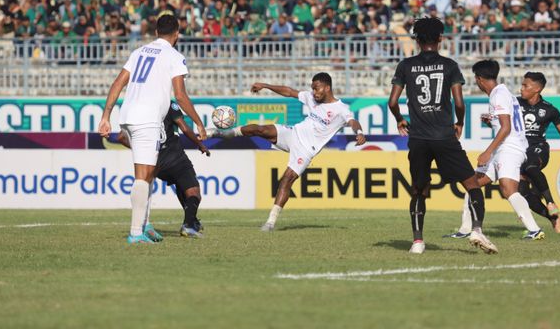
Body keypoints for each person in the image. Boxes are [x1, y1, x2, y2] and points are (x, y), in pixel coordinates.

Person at [388, 17, 496, 255]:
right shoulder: (449, 65)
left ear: (416, 40)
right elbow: (459, 102)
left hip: (418, 138)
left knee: (418, 190)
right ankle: (476, 229)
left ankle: (417, 241)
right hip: (444, 135)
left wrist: (399, 119)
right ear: (440, 39)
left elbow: (392, 102)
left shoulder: (405, 65)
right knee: (472, 184)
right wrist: (460, 123)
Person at [97, 15, 207, 244]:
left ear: (156, 32)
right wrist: (198, 121)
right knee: (143, 177)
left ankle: (145, 225)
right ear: (176, 34)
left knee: (148, 174)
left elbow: (117, 83)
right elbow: (180, 95)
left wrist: (106, 116)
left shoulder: (138, 52)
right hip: (147, 119)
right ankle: (136, 233)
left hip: (127, 116)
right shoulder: (174, 56)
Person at [210, 73, 366, 232]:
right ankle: (223, 133)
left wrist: (359, 132)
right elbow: (289, 92)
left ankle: (270, 222)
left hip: (306, 150)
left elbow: (352, 121)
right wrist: (265, 85)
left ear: (327, 87)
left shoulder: (341, 109)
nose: (314, 92)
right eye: (312, 88)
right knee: (260, 129)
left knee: (286, 179)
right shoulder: (311, 97)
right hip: (292, 134)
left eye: (316, 88)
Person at [454, 60, 544, 241]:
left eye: (476, 79)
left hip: (509, 148)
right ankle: (465, 229)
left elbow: (506, 128)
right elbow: (505, 124)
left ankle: (534, 230)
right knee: (472, 183)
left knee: (508, 189)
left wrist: (487, 152)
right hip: (505, 147)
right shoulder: (503, 93)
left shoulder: (499, 95)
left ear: (479, 79)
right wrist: (491, 121)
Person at [119, 101, 210, 238]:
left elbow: (121, 137)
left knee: (176, 185)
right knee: (193, 192)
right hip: (176, 158)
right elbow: (184, 128)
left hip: (154, 161)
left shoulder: (138, 107)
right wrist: (200, 144)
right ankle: (189, 225)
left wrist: (143, 150)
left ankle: (189, 221)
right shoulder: (167, 103)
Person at [517, 72, 560, 233]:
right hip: (519, 150)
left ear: (537, 89)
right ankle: (553, 217)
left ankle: (551, 203)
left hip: (538, 148)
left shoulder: (549, 109)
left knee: (532, 166)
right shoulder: (514, 103)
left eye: (526, 85)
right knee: (523, 194)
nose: (521, 89)